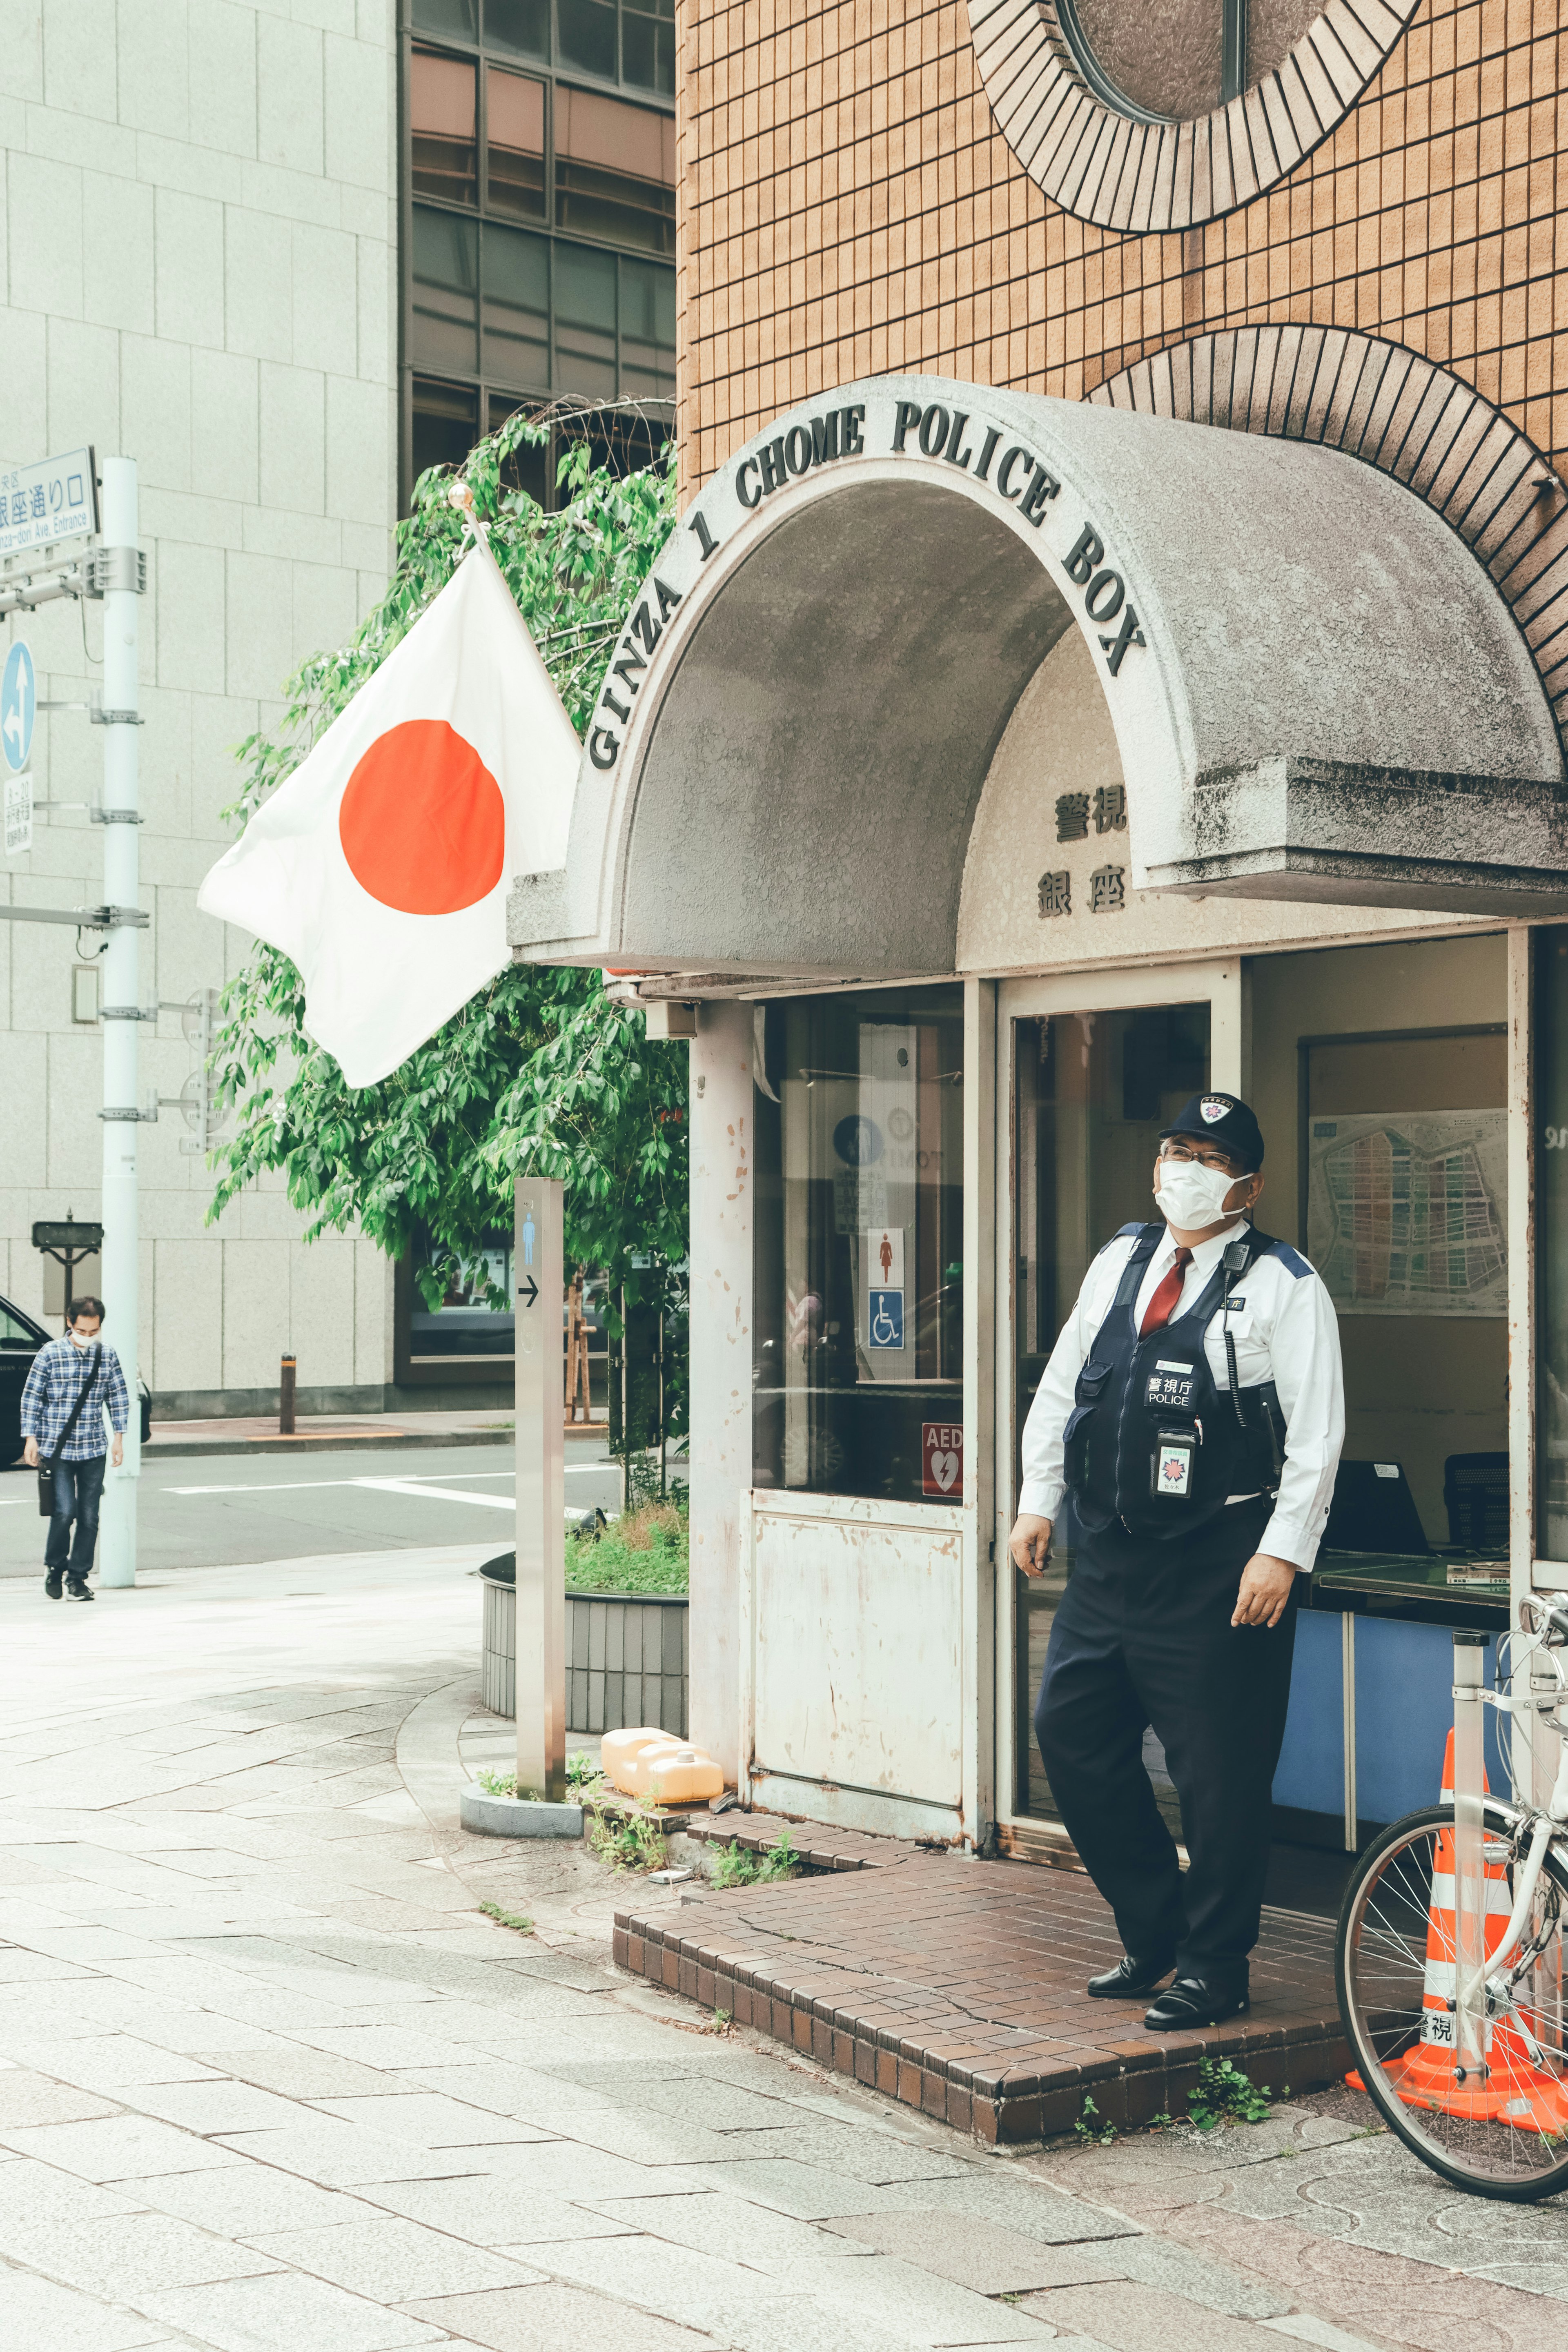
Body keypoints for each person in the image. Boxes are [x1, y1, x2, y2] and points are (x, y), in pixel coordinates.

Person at [1009, 1092, 1344, 2031]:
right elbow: (1061, 1388)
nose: (1184, 1168)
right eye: (1175, 1149)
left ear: (1247, 1180)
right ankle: (1154, 1930)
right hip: (1107, 1558)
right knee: (1068, 1733)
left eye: (1208, 1154)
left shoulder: (1284, 1283)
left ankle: (1214, 1965)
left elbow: (1316, 1438)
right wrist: (1037, 1499)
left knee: (1218, 1774)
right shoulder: (1120, 1257)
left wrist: (1281, 1552)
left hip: (1220, 1564)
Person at [20, 1295, 130, 1602]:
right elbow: (32, 1397)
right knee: (65, 1512)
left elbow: (119, 1396)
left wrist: (119, 1437)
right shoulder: (50, 1354)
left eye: (94, 1332)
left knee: (90, 1517)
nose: (88, 1337)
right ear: (70, 1323)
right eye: (82, 1331)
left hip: (94, 1447)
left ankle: (78, 1579)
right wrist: (31, 1438)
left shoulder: (106, 1355)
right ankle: (55, 1568)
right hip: (57, 1449)